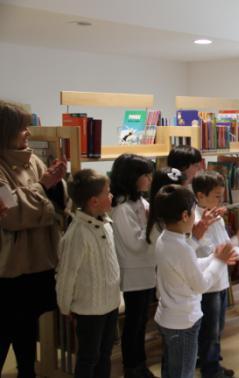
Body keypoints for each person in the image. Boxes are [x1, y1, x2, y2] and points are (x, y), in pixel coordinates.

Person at [0, 101, 68, 377]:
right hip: (10, 268)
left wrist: (54, 185)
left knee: (27, 324)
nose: (28, 133)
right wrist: (43, 187)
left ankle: (27, 372)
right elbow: (11, 214)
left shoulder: (31, 158)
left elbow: (57, 201)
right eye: (22, 128)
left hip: (40, 261)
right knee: (5, 326)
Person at [153, 184, 235, 378]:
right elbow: (201, 284)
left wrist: (212, 258)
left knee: (172, 369)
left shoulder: (166, 238)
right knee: (183, 372)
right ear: (185, 216)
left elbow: (188, 264)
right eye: (193, 211)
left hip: (169, 317)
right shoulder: (181, 248)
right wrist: (219, 262)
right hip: (183, 322)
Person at [192, 170, 239, 378]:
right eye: (216, 196)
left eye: (221, 195)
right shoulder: (196, 222)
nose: (220, 200)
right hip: (208, 284)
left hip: (221, 282)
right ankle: (211, 369)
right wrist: (238, 246)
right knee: (211, 329)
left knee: (218, 326)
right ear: (200, 196)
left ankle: (207, 358)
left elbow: (225, 246)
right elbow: (212, 251)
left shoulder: (217, 218)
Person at [56, 169, 120, 378]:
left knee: (104, 354)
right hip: (89, 309)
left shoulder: (106, 224)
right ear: (94, 201)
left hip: (109, 304)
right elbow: (66, 274)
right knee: (88, 357)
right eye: (107, 193)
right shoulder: (77, 234)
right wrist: (65, 306)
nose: (111, 196)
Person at [109, 154, 157, 378]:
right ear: (131, 177)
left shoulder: (140, 201)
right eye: (144, 175)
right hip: (133, 273)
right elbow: (137, 244)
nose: (149, 179)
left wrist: (152, 223)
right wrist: (153, 224)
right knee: (134, 323)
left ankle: (140, 363)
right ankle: (132, 366)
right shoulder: (121, 208)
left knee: (142, 321)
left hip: (148, 269)